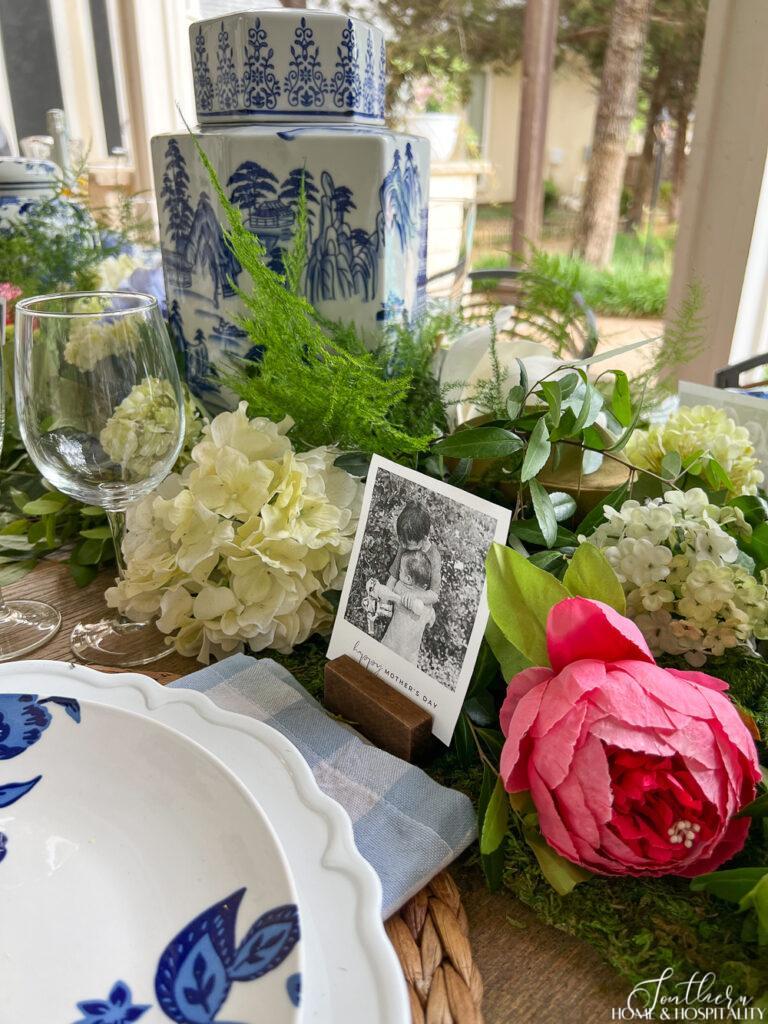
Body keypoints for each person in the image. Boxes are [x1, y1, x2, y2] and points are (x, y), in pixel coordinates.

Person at [379, 501, 441, 663]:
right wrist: (384, 599)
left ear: (424, 538)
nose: (403, 546)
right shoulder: (404, 544)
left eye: (407, 544)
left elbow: (434, 594)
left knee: (408, 651)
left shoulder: (433, 555)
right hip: (399, 606)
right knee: (391, 641)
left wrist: (414, 596)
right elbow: (393, 577)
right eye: (401, 541)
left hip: (416, 612)